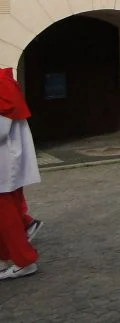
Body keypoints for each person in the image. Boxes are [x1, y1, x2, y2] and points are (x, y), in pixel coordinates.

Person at [0, 68, 41, 280]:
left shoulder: (2, 85)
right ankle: (7, 257)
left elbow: (1, 130)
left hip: (4, 163)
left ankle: (23, 260)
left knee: (6, 217)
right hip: (7, 163)